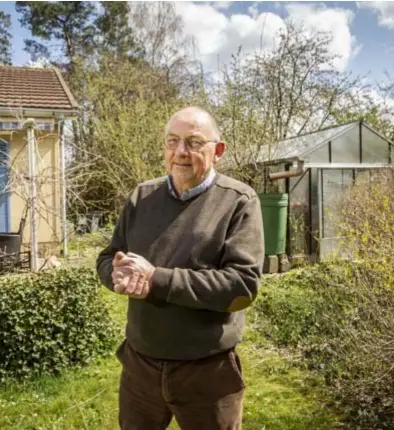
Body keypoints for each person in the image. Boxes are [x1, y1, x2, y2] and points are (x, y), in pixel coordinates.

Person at [96, 106, 265, 430]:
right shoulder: (141, 197)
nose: (180, 152)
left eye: (193, 142)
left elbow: (242, 288)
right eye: (172, 141)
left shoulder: (239, 201)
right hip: (140, 367)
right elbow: (109, 256)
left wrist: (156, 279)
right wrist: (113, 273)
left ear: (218, 151)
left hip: (207, 371)